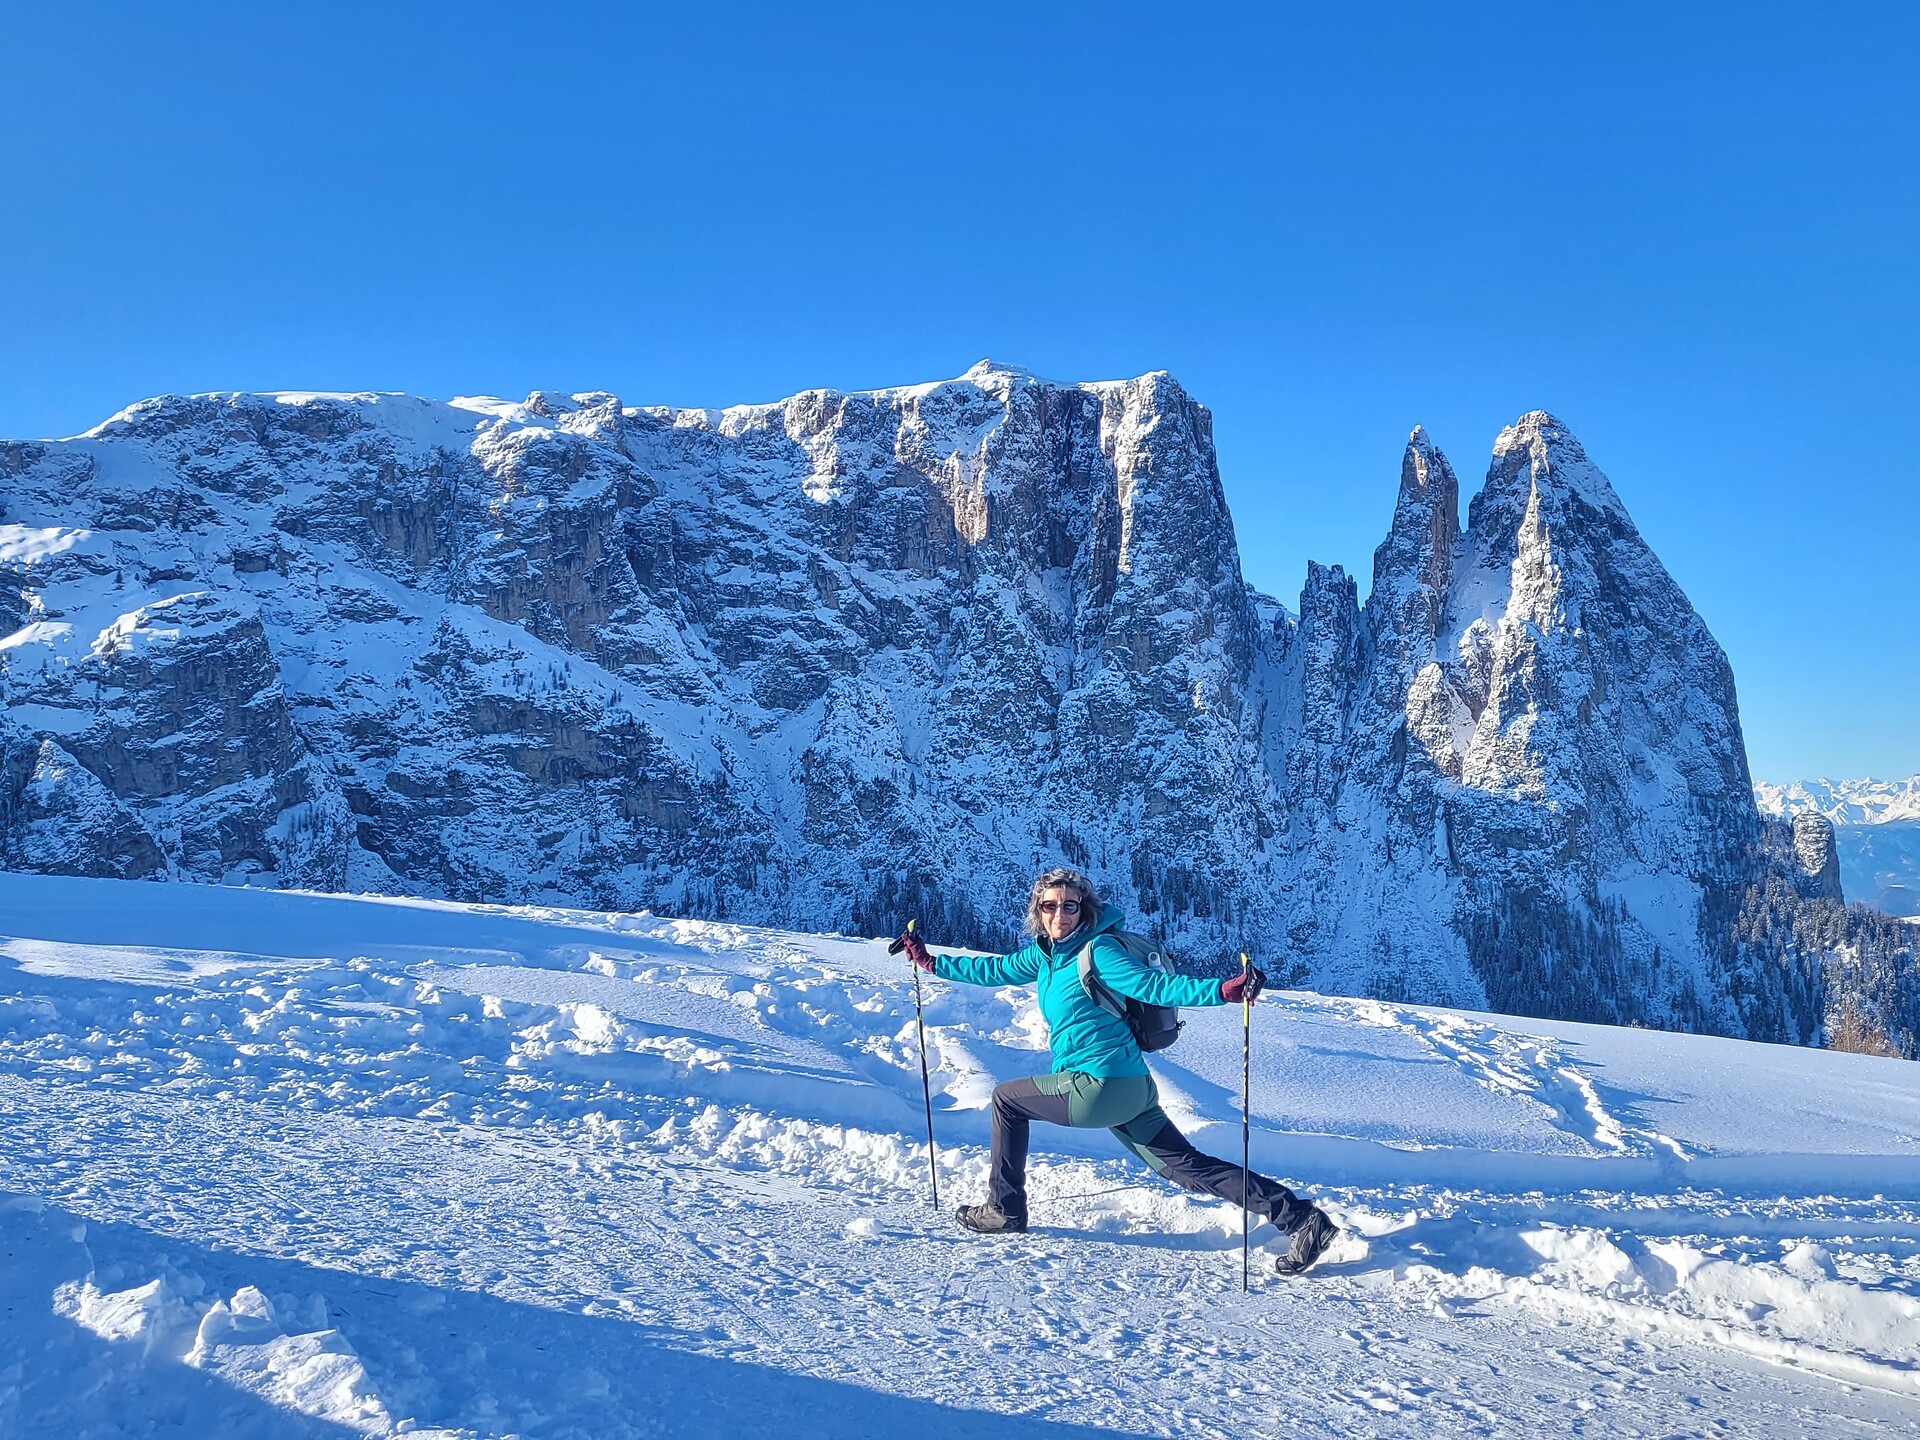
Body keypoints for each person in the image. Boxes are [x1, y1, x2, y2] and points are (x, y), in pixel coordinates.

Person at [894, 866, 1339, 1277]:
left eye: (1070, 905)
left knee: (1006, 1100)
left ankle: (1004, 1210)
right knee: (1188, 1169)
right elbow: (992, 968)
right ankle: (1302, 1219)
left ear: (1084, 909)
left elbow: (1154, 985)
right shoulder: (1045, 955)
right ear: (1038, 911)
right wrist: (931, 962)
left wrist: (1222, 990)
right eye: (1050, 906)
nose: (1060, 914)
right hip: (1131, 1086)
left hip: (1098, 1086)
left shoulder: (1098, 951)